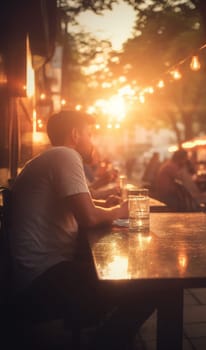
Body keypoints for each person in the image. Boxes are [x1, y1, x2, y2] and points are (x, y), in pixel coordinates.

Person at [9, 110, 157, 349]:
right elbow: (87, 218)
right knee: (149, 286)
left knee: (115, 268)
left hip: (34, 274)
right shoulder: (65, 155)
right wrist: (123, 210)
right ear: (76, 134)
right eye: (90, 134)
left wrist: (101, 205)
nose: (93, 141)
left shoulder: (51, 157)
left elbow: (78, 205)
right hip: (43, 282)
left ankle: (107, 335)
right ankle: (106, 342)